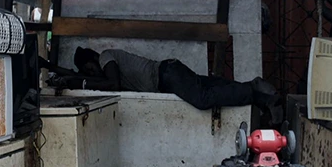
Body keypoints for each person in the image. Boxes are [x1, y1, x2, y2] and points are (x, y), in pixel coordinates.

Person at [48, 47, 278, 113]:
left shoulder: (106, 56)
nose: (91, 73)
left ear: (93, 60)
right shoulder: (104, 63)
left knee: (202, 99)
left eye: (88, 69)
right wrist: (51, 68)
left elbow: (112, 84)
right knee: (210, 86)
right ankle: (255, 90)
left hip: (165, 75)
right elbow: (83, 76)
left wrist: (80, 83)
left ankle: (254, 92)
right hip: (169, 72)